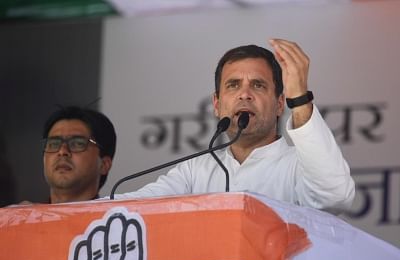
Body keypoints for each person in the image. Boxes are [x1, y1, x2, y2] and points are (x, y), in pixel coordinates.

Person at [112, 38, 355, 212]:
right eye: (233, 85)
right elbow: (133, 207)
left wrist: (300, 99)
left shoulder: (298, 166)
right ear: (217, 104)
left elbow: (335, 196)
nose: (245, 94)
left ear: (280, 104)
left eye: (258, 85)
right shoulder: (195, 171)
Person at [42, 106, 116, 203]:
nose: (62, 151)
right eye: (54, 144)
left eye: (77, 143)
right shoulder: (24, 217)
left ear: (104, 165)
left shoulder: (114, 218)